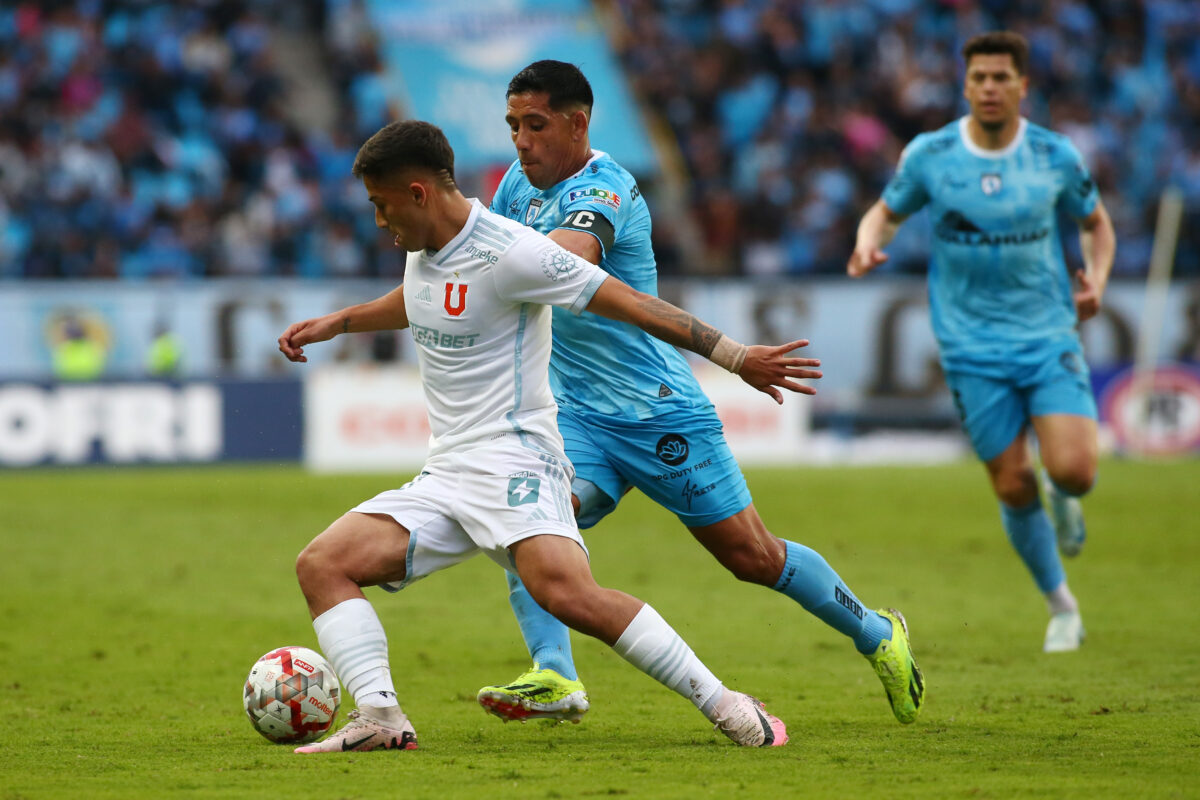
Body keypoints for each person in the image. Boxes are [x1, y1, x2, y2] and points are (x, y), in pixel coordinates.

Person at [276, 119, 822, 752]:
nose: (377, 220)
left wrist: (734, 356)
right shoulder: (424, 247)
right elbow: (424, 297)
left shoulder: (513, 252)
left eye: (381, 204)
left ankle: (726, 704)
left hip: (516, 463)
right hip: (448, 473)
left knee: (568, 595)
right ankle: (380, 719)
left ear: (419, 192)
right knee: (322, 565)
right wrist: (340, 321)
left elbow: (633, 303)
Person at [476, 60, 924, 728]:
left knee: (753, 557)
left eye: (535, 125)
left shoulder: (606, 190)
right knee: (531, 524)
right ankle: (557, 676)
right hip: (579, 418)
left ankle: (877, 631)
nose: (521, 140)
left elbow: (565, 261)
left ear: (577, 123)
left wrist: (477, 252)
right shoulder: (519, 184)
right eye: (513, 125)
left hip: (658, 411)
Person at [847, 32, 1116, 653]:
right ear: (964, 86)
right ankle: (1062, 607)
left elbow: (1097, 225)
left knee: (1075, 472)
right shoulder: (931, 154)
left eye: (1002, 78)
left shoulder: (1055, 155)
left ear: (1024, 86)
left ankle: (1065, 493)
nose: (990, 88)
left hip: (1047, 332)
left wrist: (1096, 280)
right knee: (1011, 483)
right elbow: (886, 212)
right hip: (970, 347)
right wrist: (867, 240)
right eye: (979, 79)